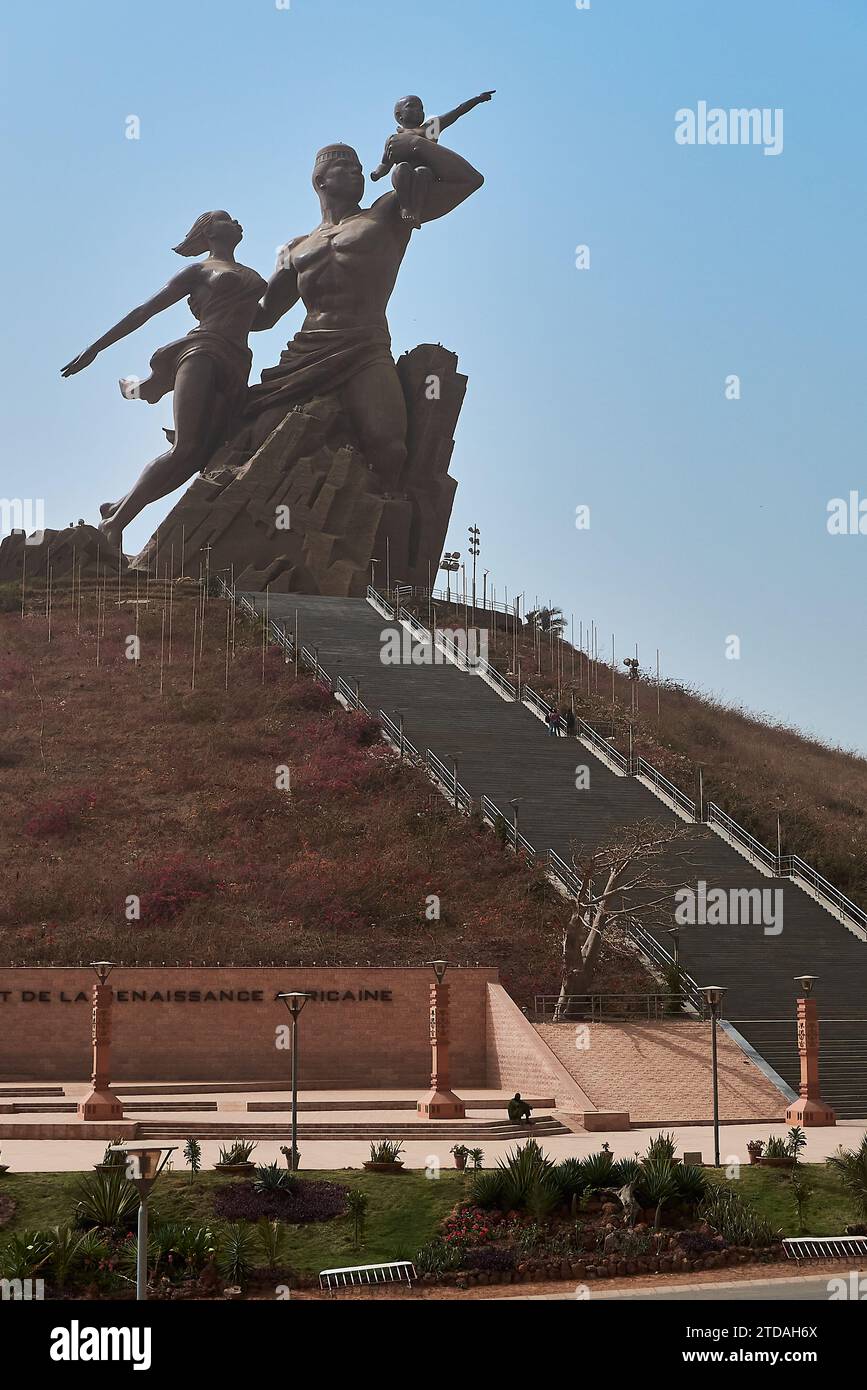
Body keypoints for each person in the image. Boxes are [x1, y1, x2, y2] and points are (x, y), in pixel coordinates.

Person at [247, 139, 484, 491]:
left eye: (360, 168)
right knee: (259, 439)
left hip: (364, 347)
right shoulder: (295, 248)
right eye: (346, 167)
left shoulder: (389, 213)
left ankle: (368, 535)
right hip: (304, 354)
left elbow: (467, 180)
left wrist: (417, 145)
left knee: (389, 447)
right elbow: (262, 317)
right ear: (321, 181)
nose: (358, 173)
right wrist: (217, 301)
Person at [61, 211, 267, 549]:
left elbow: (263, 319)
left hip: (238, 360)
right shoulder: (199, 271)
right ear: (208, 232)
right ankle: (115, 522)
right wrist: (95, 348)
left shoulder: (250, 274)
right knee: (185, 446)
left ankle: (118, 504)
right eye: (226, 218)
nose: (237, 221)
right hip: (202, 350)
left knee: (196, 457)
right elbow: (145, 310)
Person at [370, 90, 495, 228]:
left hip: (425, 178)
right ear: (399, 116)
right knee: (402, 168)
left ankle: (415, 210)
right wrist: (377, 173)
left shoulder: (430, 128)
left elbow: (456, 113)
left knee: (423, 172)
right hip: (402, 177)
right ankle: (405, 207)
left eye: (421, 108)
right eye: (411, 106)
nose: (419, 110)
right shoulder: (393, 139)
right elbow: (385, 163)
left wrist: (477, 100)